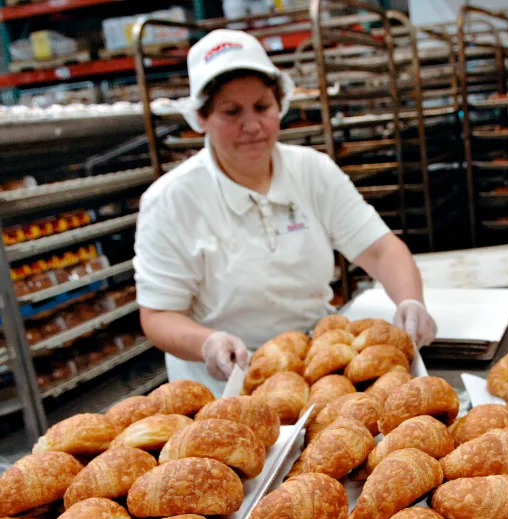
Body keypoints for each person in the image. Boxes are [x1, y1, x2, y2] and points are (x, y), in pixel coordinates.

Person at [133, 29, 437, 393]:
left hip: (320, 372)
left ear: (281, 104)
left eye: (262, 107)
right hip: (226, 387)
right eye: (232, 112)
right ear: (201, 118)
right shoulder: (171, 201)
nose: (252, 126)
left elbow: (381, 249)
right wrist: (207, 342)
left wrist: (410, 300)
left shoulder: (312, 171)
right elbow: (158, 315)